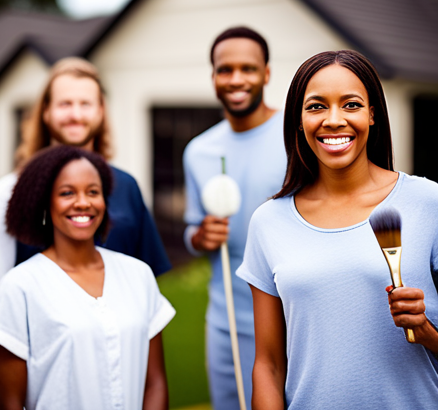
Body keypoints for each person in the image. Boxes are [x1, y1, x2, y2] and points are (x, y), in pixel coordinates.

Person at [237, 50, 438, 409]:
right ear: (298, 120)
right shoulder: (268, 222)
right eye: (316, 106)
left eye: (351, 105)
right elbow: (268, 365)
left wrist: (425, 332)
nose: (333, 120)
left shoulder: (428, 201)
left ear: (372, 114)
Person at [0, 57, 171, 312]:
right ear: (46, 112)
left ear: (100, 111)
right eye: (65, 104)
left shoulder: (127, 186)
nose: (75, 115)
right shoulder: (9, 191)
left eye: (85, 104)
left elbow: (146, 284)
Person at [0, 145, 175, 410]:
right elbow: (9, 404)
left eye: (93, 192)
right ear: (44, 203)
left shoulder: (138, 275)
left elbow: (154, 383)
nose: (83, 202)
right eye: (67, 192)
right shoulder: (19, 288)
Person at [183, 26, 286, 409]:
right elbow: (192, 231)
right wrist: (200, 236)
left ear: (267, 74)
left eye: (248, 68)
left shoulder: (296, 134)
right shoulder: (198, 151)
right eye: (225, 70)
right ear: (213, 76)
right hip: (226, 320)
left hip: (294, 319)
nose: (236, 79)